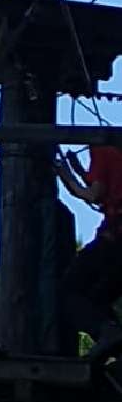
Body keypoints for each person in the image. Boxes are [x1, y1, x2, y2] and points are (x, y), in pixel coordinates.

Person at [56, 145, 122, 358]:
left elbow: (95, 194)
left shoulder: (102, 147)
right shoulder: (115, 149)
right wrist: (79, 172)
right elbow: (107, 188)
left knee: (69, 291)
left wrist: (67, 178)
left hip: (115, 239)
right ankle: (113, 339)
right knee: (97, 298)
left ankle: (109, 334)